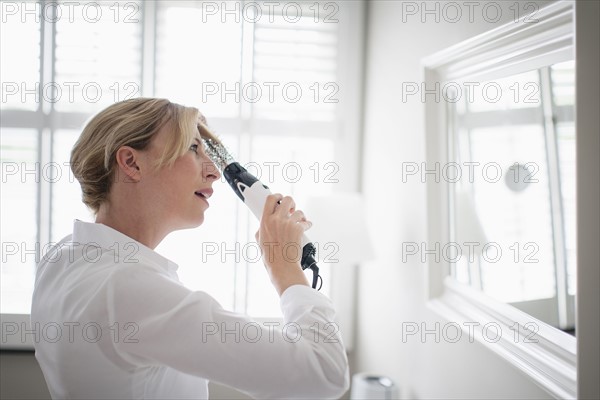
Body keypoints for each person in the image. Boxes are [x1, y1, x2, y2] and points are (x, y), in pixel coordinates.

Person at [31, 98, 349, 399]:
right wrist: (285, 268)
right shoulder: (131, 291)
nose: (213, 171)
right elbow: (324, 373)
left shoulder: (62, 258)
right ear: (131, 162)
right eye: (193, 148)